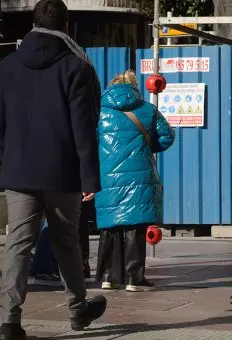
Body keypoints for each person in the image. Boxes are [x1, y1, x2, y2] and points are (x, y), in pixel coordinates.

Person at [0, 0, 107, 338]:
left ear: (33, 22)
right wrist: (90, 177)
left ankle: (9, 321)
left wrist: (11, 158)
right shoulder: (76, 66)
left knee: (18, 244)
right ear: (66, 26)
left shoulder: (9, 66)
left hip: (20, 172)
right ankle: (77, 312)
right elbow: (83, 129)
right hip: (62, 173)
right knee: (66, 243)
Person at [95, 70, 175, 292]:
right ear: (134, 87)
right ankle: (133, 279)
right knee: (134, 226)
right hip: (139, 175)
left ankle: (107, 277)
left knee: (109, 226)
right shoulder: (148, 109)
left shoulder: (100, 112)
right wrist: (147, 149)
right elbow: (167, 136)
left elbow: (90, 141)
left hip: (107, 176)